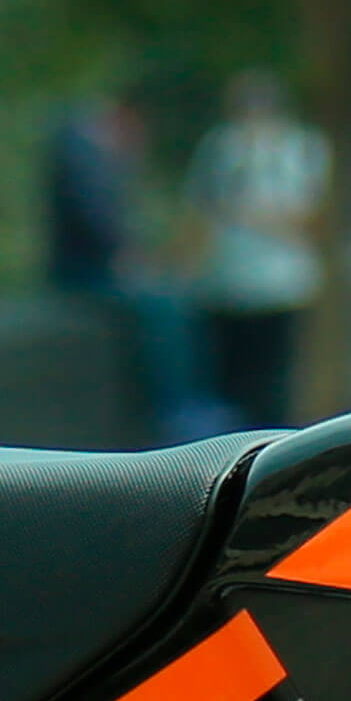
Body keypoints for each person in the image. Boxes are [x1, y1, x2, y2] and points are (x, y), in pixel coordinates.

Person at [46, 92, 232, 443]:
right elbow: (96, 224)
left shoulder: (96, 155)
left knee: (178, 298)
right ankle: (174, 407)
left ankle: (194, 400)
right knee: (161, 307)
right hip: (85, 272)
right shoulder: (82, 153)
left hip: (104, 267)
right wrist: (124, 259)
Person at [184, 70, 331, 428]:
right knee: (231, 380)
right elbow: (199, 209)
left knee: (274, 380)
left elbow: (313, 214)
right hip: (227, 283)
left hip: (282, 284)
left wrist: (254, 218)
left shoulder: (300, 147)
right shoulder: (219, 147)